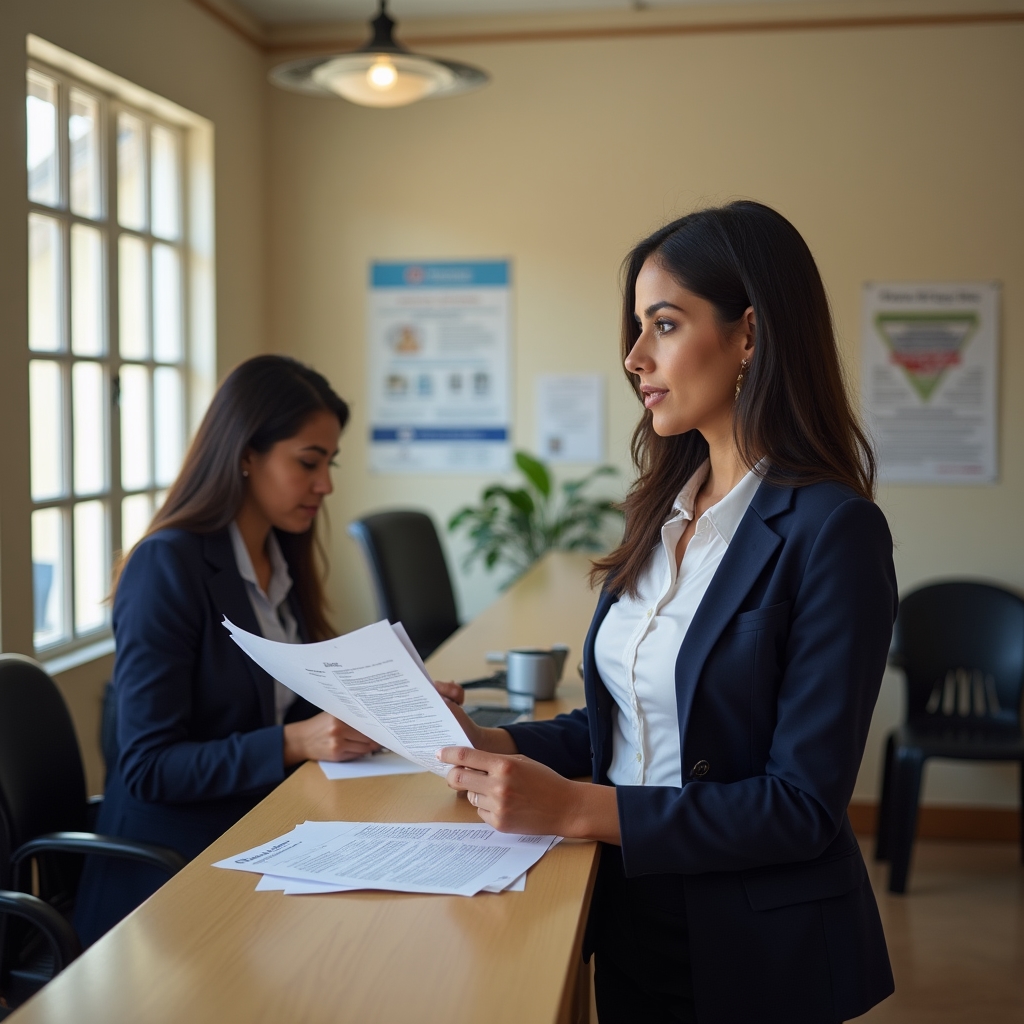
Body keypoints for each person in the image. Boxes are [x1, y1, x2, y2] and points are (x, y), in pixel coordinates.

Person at [438, 202, 897, 1023]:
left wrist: (575, 806)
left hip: (753, 947)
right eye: (637, 327)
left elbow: (800, 806)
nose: (634, 355)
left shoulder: (834, 531)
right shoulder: (664, 511)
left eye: (665, 324)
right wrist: (495, 743)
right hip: (629, 912)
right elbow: (639, 726)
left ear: (749, 335)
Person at [75, 355, 461, 944]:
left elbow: (291, 702)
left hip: (259, 825)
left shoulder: (280, 557)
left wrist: (390, 700)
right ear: (246, 456)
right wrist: (295, 742)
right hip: (170, 875)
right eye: (308, 462)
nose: (326, 485)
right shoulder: (167, 566)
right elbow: (148, 767)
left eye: (329, 463)